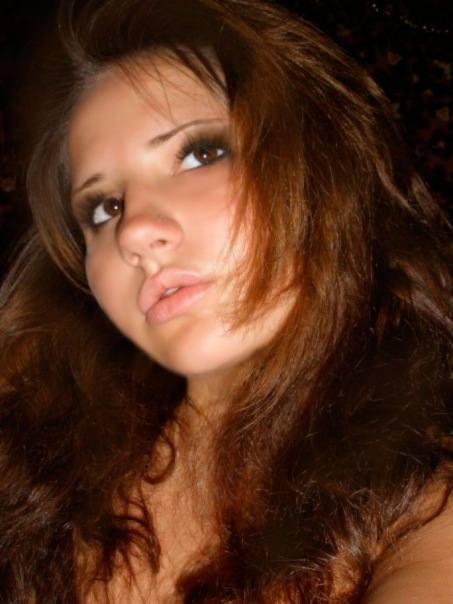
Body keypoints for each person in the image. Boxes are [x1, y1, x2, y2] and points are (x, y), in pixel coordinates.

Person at [0, 0, 452, 601]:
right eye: (104, 207)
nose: (133, 231)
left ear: (324, 172)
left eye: (199, 154)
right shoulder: (36, 449)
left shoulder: (422, 510)